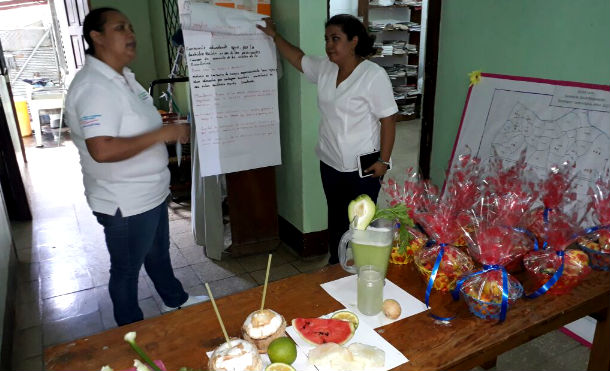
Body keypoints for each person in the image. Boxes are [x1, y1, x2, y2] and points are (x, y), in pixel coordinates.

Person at [65, 7, 206, 326]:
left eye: (130, 26)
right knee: (127, 271)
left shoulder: (124, 78)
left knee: (158, 253)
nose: (130, 34)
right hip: (124, 202)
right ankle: (129, 333)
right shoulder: (94, 87)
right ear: (96, 37)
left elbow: (134, 126)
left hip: (150, 192)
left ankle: (175, 301)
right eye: (120, 28)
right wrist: (162, 133)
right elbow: (101, 149)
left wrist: (162, 128)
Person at [257, 14, 398, 264]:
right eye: (327, 39)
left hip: (363, 165)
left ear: (354, 41)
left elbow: (388, 119)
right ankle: (337, 264)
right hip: (330, 161)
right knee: (336, 218)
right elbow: (298, 59)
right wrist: (275, 36)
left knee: (361, 222)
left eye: (336, 39)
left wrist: (384, 161)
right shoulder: (325, 68)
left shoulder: (372, 75)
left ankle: (365, 267)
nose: (329, 45)